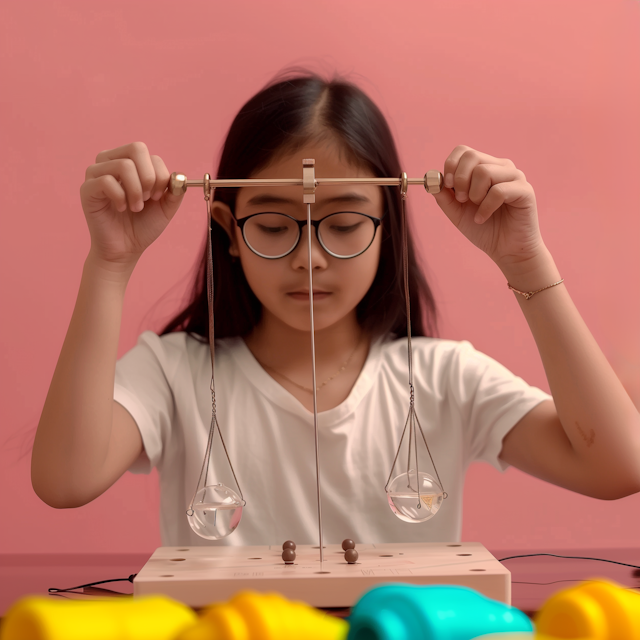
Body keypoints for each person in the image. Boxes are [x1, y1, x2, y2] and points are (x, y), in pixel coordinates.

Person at [31, 71, 640, 548]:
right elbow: (64, 480)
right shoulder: (173, 374)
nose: (311, 258)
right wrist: (110, 265)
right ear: (230, 230)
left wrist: (526, 264)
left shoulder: (445, 379)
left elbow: (617, 465)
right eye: (273, 225)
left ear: (387, 224)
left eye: (345, 224)